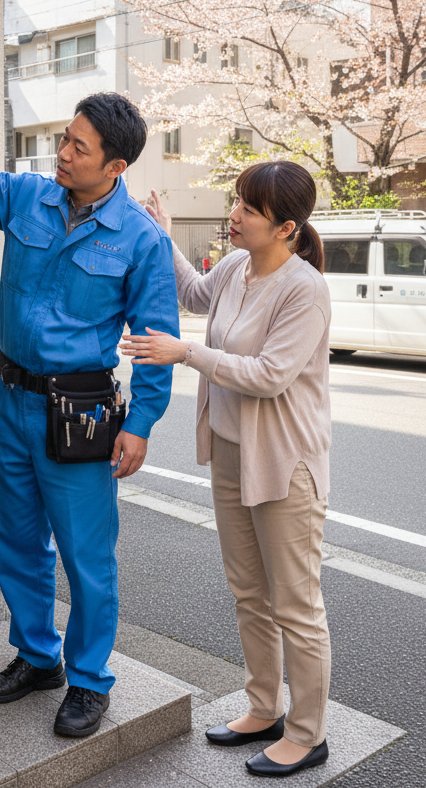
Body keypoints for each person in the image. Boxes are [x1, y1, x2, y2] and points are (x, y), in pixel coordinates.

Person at [0, 92, 178, 737]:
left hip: (78, 411)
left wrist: (139, 425)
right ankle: (37, 657)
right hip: (10, 395)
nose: (64, 153)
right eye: (66, 139)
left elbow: (154, 343)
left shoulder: (142, 239)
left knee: (85, 556)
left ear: (116, 166)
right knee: (17, 539)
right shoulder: (29, 197)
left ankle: (88, 680)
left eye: (79, 147)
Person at [121, 163, 332, 778]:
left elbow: (269, 374)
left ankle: (307, 732)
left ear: (286, 227)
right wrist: (161, 234)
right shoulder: (239, 267)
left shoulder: (304, 289)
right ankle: (263, 709)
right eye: (237, 202)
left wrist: (185, 351)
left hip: (285, 464)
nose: (233, 215)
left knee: (296, 603)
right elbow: (193, 293)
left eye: (248, 209)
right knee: (248, 593)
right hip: (234, 453)